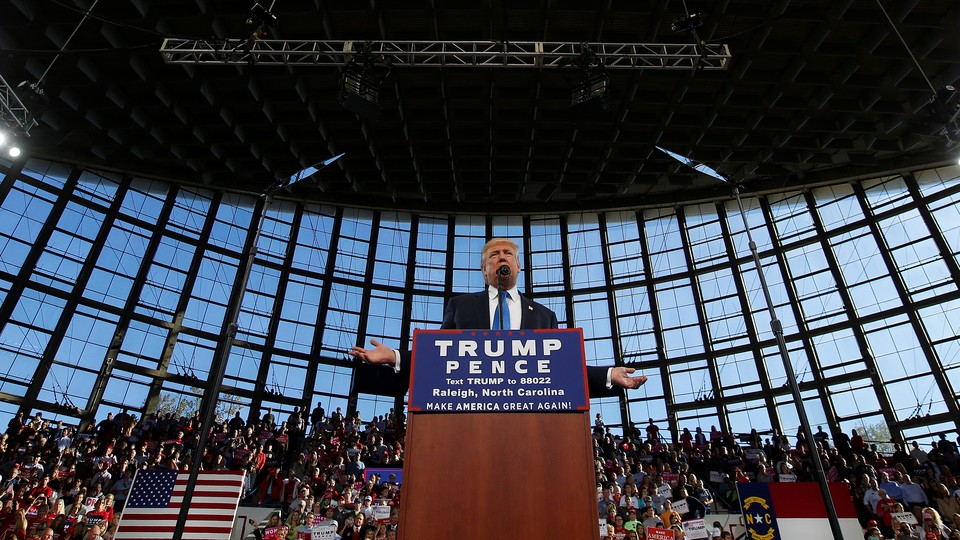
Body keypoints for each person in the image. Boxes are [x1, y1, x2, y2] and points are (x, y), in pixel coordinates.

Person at [349, 238, 648, 398]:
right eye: (494, 255)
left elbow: (561, 370)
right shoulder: (460, 306)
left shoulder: (545, 316)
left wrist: (609, 375)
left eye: (507, 253)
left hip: (529, 414)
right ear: (484, 270)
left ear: (518, 266)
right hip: (468, 411)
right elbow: (438, 357)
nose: (501, 257)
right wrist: (394, 357)